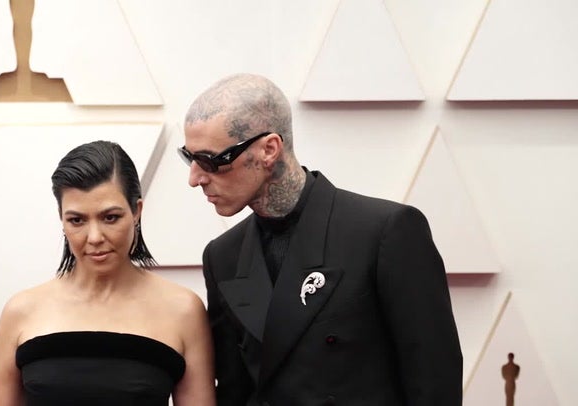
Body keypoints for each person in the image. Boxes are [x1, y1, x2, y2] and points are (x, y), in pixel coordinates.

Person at [178, 73, 463, 405]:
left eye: (211, 161)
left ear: (269, 149)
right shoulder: (222, 256)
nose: (195, 179)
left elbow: (435, 383)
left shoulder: (385, 232)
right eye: (189, 158)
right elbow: (234, 391)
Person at [0, 140, 215, 405]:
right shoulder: (21, 311)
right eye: (77, 220)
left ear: (136, 211)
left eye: (110, 218)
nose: (95, 237)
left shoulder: (183, 310)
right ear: (62, 219)